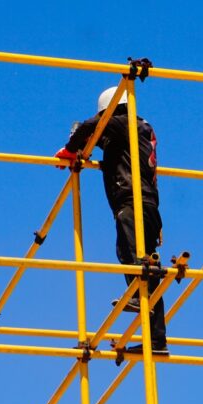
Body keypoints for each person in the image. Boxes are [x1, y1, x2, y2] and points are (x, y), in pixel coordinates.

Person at [56, 86, 167, 355]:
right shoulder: (137, 129)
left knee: (134, 257)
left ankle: (139, 299)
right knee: (145, 262)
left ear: (111, 111)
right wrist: (87, 147)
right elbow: (107, 146)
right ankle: (156, 338)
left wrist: (71, 148)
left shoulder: (122, 122)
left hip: (132, 200)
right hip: (148, 203)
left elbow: (90, 126)